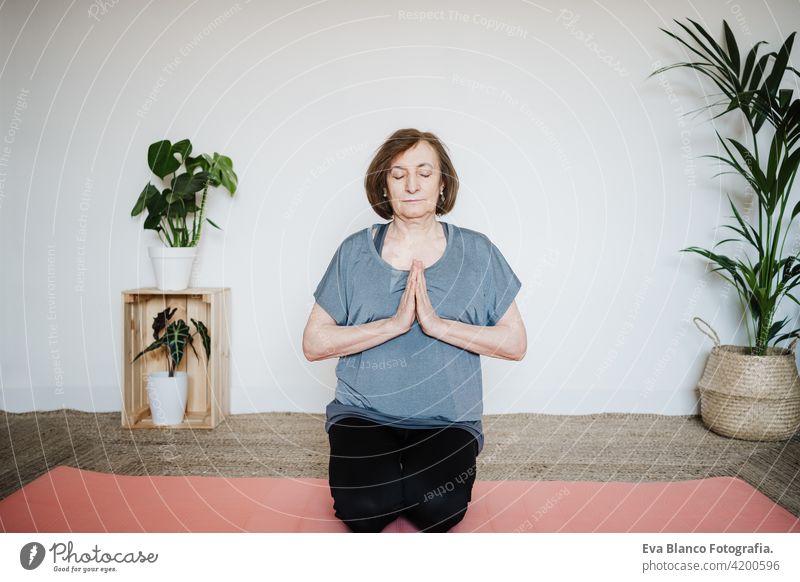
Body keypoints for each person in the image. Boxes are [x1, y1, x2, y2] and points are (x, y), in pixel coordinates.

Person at [303, 128, 527, 532]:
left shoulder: (478, 251)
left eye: (424, 173)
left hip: (447, 419)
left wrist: (437, 326)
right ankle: (387, 478)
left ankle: (407, 477)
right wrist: (392, 325)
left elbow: (515, 343)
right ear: (383, 184)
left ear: (443, 183)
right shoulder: (354, 251)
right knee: (364, 512)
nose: (411, 185)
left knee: (438, 512)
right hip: (363, 414)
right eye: (398, 173)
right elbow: (314, 342)